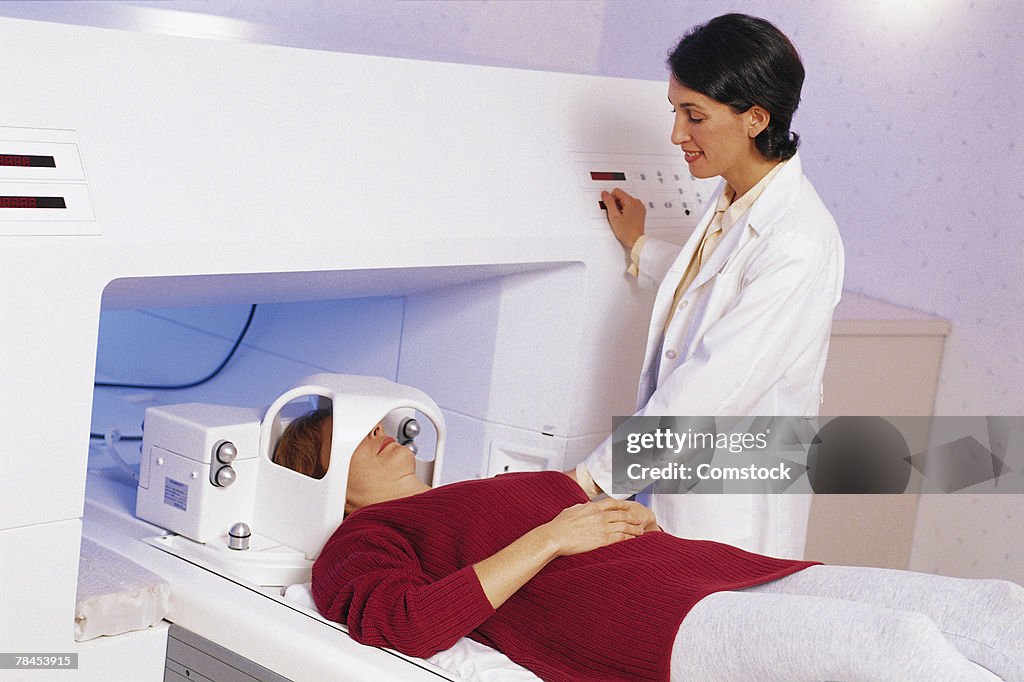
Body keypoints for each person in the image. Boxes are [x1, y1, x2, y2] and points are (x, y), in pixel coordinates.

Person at [274, 410, 1024, 682]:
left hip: (709, 569)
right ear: (326, 480)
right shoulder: (360, 541)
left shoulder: (459, 492)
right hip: (648, 625)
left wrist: (615, 519)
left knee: (996, 609)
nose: (383, 433)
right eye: (355, 438)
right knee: (897, 646)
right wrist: (553, 535)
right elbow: (407, 623)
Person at [572, 13, 845, 558]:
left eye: (694, 116)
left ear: (755, 118)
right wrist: (642, 247)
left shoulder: (797, 240)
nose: (677, 135)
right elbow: (715, 285)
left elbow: (712, 388)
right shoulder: (736, 198)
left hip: (731, 510)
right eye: (676, 112)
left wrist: (590, 480)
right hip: (680, 483)